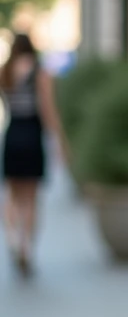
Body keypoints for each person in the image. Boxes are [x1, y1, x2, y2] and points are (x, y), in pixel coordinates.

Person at [1, 33, 66, 277]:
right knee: (30, 197)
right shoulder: (39, 72)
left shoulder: (5, 71)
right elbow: (48, 110)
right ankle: (26, 246)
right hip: (31, 135)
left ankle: (11, 239)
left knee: (11, 193)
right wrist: (59, 141)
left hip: (12, 133)